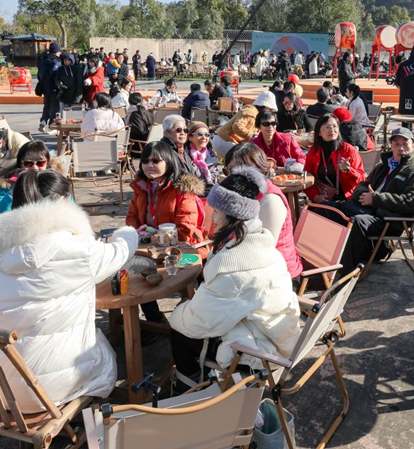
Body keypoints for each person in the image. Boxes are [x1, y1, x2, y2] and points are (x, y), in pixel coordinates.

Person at [0, 170, 137, 411]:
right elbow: (119, 253)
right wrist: (127, 233)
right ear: (61, 200)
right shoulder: (78, 249)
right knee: (105, 348)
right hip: (51, 390)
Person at [168, 167, 300, 388]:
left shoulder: (233, 266)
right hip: (278, 330)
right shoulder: (261, 240)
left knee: (180, 330)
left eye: (217, 211)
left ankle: (188, 386)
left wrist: (179, 310)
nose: (213, 217)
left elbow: (197, 323)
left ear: (232, 215)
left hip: (263, 348)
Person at [324, 127, 414, 276]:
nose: (401, 148)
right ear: (391, 146)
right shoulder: (382, 166)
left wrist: (376, 199)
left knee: (357, 222)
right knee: (327, 209)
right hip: (367, 208)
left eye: (405, 143)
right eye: (396, 144)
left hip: (389, 219)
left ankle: (346, 273)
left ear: (413, 145)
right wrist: (364, 195)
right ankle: (323, 258)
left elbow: (408, 203)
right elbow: (361, 185)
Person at [223, 143, 301, 279]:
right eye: (231, 171)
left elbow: (264, 249)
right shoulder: (244, 193)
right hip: (248, 263)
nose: (237, 177)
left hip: (276, 275)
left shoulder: (270, 200)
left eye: (245, 170)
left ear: (261, 170)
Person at [126, 141, 204, 243]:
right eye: (145, 161)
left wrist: (154, 238)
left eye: (155, 161)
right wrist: (136, 232)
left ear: (169, 162)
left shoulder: (183, 190)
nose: (150, 165)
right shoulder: (141, 187)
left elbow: (185, 229)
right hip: (146, 242)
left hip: (179, 246)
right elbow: (132, 217)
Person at [303, 113, 367, 205]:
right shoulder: (314, 151)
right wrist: (315, 196)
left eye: (334, 126)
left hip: (346, 200)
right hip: (322, 199)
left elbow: (361, 179)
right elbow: (306, 176)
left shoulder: (348, 150)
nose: (332, 130)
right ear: (319, 132)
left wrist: (348, 170)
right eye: (327, 127)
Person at [0, 141, 51, 212]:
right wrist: (14, 191)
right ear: (20, 164)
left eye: (40, 163)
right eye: (28, 163)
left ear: (47, 163)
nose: (35, 167)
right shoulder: (7, 183)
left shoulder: (55, 181)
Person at [36, 43, 63, 133]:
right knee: (55, 107)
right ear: (56, 52)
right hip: (54, 87)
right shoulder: (56, 62)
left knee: (47, 105)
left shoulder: (43, 61)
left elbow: (39, 75)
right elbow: (56, 74)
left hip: (45, 87)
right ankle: (52, 125)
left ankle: (43, 121)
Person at [187, 122, 219, 191]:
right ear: (190, 137)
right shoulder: (185, 155)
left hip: (209, 191)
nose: (204, 137)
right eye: (200, 134)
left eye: (207, 135)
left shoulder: (211, 154)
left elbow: (215, 177)